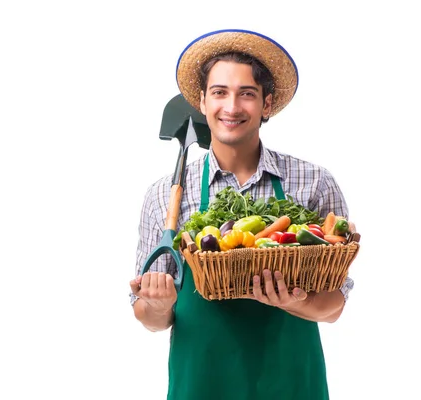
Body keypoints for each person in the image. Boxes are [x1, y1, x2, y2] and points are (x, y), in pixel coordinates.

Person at [129, 29, 355, 399]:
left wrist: (297, 301)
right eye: (219, 92)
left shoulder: (313, 184)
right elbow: (151, 319)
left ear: (267, 105)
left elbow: (333, 307)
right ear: (201, 102)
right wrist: (157, 304)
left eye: (246, 94)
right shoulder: (165, 195)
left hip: (292, 383)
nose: (231, 107)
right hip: (201, 384)